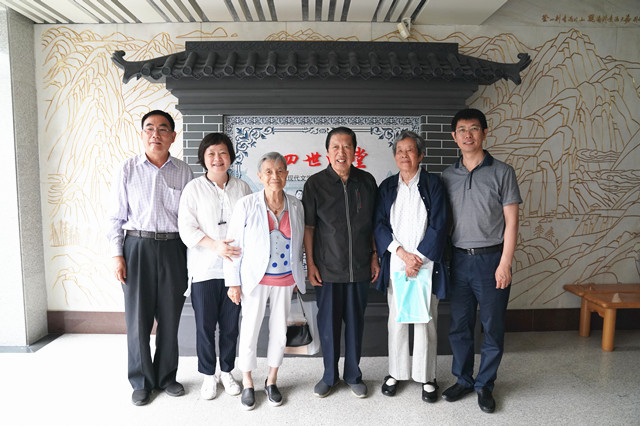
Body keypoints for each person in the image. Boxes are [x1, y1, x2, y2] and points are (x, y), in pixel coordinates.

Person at [107, 110, 193, 406]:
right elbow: (115, 217)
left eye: (163, 129)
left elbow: (189, 219)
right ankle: (141, 381)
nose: (156, 134)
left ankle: (167, 376)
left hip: (173, 249)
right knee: (138, 320)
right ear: (142, 134)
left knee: (170, 317)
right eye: (150, 128)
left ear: (173, 136)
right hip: (137, 247)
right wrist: (117, 255)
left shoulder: (184, 171)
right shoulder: (127, 169)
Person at [441, 108, 522, 413]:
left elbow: (512, 222)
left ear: (485, 133)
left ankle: (485, 384)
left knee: (492, 326)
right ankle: (463, 379)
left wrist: (505, 263)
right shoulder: (447, 176)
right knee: (459, 326)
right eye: (462, 130)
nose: (468, 135)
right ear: (454, 136)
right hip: (459, 261)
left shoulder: (503, 172)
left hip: (492, 260)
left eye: (474, 128)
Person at [224, 152, 306, 410]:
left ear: (287, 174)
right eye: (269, 171)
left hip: (285, 279)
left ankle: (272, 380)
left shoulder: (296, 205)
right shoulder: (247, 204)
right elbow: (233, 245)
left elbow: (299, 243)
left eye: (280, 171)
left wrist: (299, 274)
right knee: (250, 330)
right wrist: (233, 282)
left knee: (280, 331)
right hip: (254, 280)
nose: (275, 176)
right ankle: (248, 381)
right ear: (260, 176)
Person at [302, 127, 379, 399]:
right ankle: (329, 376)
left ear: (355, 151)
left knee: (356, 324)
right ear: (327, 152)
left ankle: (354, 375)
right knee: (329, 325)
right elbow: (309, 228)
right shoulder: (315, 184)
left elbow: (374, 224)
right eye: (335, 146)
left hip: (359, 268)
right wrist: (311, 264)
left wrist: (374, 255)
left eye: (347, 146)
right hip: (327, 270)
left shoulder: (367, 182)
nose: (341, 152)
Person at [374, 131, 449, 403]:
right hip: (397, 263)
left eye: (409, 150)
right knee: (397, 320)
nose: (404, 155)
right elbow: (379, 225)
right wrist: (403, 255)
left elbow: (440, 224)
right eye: (399, 151)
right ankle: (396, 372)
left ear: (421, 155)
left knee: (424, 321)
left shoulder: (433, 184)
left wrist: (417, 258)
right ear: (395, 156)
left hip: (426, 265)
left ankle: (427, 377)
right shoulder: (387, 186)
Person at [177, 133, 251, 400]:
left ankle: (227, 371)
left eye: (222, 153)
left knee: (231, 326)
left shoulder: (243, 188)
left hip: (235, 272)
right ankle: (209, 375)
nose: (217, 158)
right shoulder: (193, 189)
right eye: (211, 154)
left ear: (230, 157)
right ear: (203, 158)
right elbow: (186, 228)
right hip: (204, 270)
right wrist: (215, 246)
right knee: (205, 327)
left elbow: (251, 226)